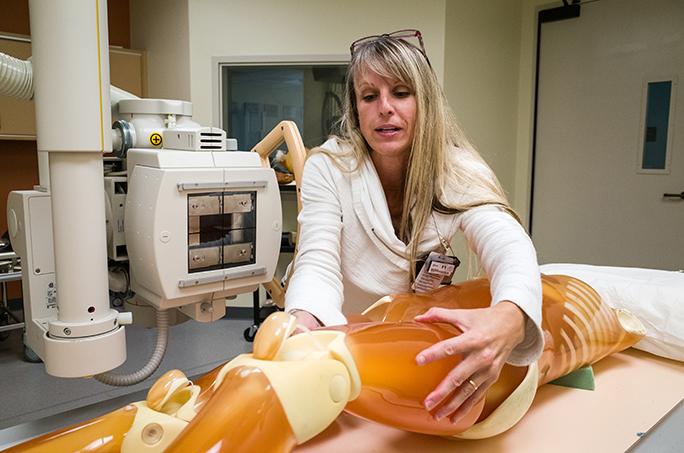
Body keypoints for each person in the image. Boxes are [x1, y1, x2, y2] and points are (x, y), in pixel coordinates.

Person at [284, 29, 544, 424]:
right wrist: (306, 324)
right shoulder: (329, 167)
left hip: (412, 342)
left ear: (425, 103)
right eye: (369, 96)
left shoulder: (457, 169)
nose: (385, 108)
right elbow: (318, 262)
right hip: (339, 334)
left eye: (401, 92)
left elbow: (507, 243)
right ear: (356, 109)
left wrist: (510, 316)